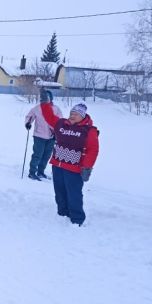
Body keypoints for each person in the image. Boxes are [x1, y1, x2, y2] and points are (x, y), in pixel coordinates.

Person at [40, 97, 99, 226]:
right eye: (71, 113)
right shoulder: (61, 123)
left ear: (82, 116)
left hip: (75, 168)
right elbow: (49, 117)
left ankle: (77, 218)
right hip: (58, 164)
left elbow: (92, 150)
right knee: (59, 191)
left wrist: (87, 167)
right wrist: (45, 103)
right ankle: (62, 213)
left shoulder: (89, 130)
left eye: (75, 114)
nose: (72, 116)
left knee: (74, 193)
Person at [25, 89, 62, 180]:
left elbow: (60, 121)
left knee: (46, 155)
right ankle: (32, 172)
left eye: (47, 98)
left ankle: (41, 172)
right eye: (43, 98)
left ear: (51, 98)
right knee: (37, 155)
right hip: (39, 136)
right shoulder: (37, 108)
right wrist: (28, 123)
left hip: (51, 137)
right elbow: (29, 116)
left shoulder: (56, 109)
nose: (44, 99)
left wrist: (58, 132)